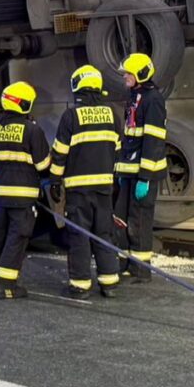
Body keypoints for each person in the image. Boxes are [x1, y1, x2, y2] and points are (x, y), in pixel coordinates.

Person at [47, 64, 121, 299]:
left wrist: (55, 181)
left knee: (79, 236)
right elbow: (117, 150)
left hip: (78, 190)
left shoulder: (71, 116)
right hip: (105, 188)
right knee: (104, 233)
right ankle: (109, 283)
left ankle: (80, 286)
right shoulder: (112, 114)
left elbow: (60, 153)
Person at [0, 80, 49, 299]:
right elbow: (43, 165)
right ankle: (5, 286)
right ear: (24, 104)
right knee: (16, 239)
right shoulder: (32, 130)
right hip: (22, 198)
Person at [113, 51, 167, 281]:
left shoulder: (153, 100)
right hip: (129, 170)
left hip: (144, 173)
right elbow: (130, 136)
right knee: (122, 219)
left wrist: (144, 177)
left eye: (129, 73)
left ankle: (141, 270)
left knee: (139, 221)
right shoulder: (135, 97)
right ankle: (126, 264)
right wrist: (120, 168)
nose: (125, 76)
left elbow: (153, 141)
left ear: (141, 74)